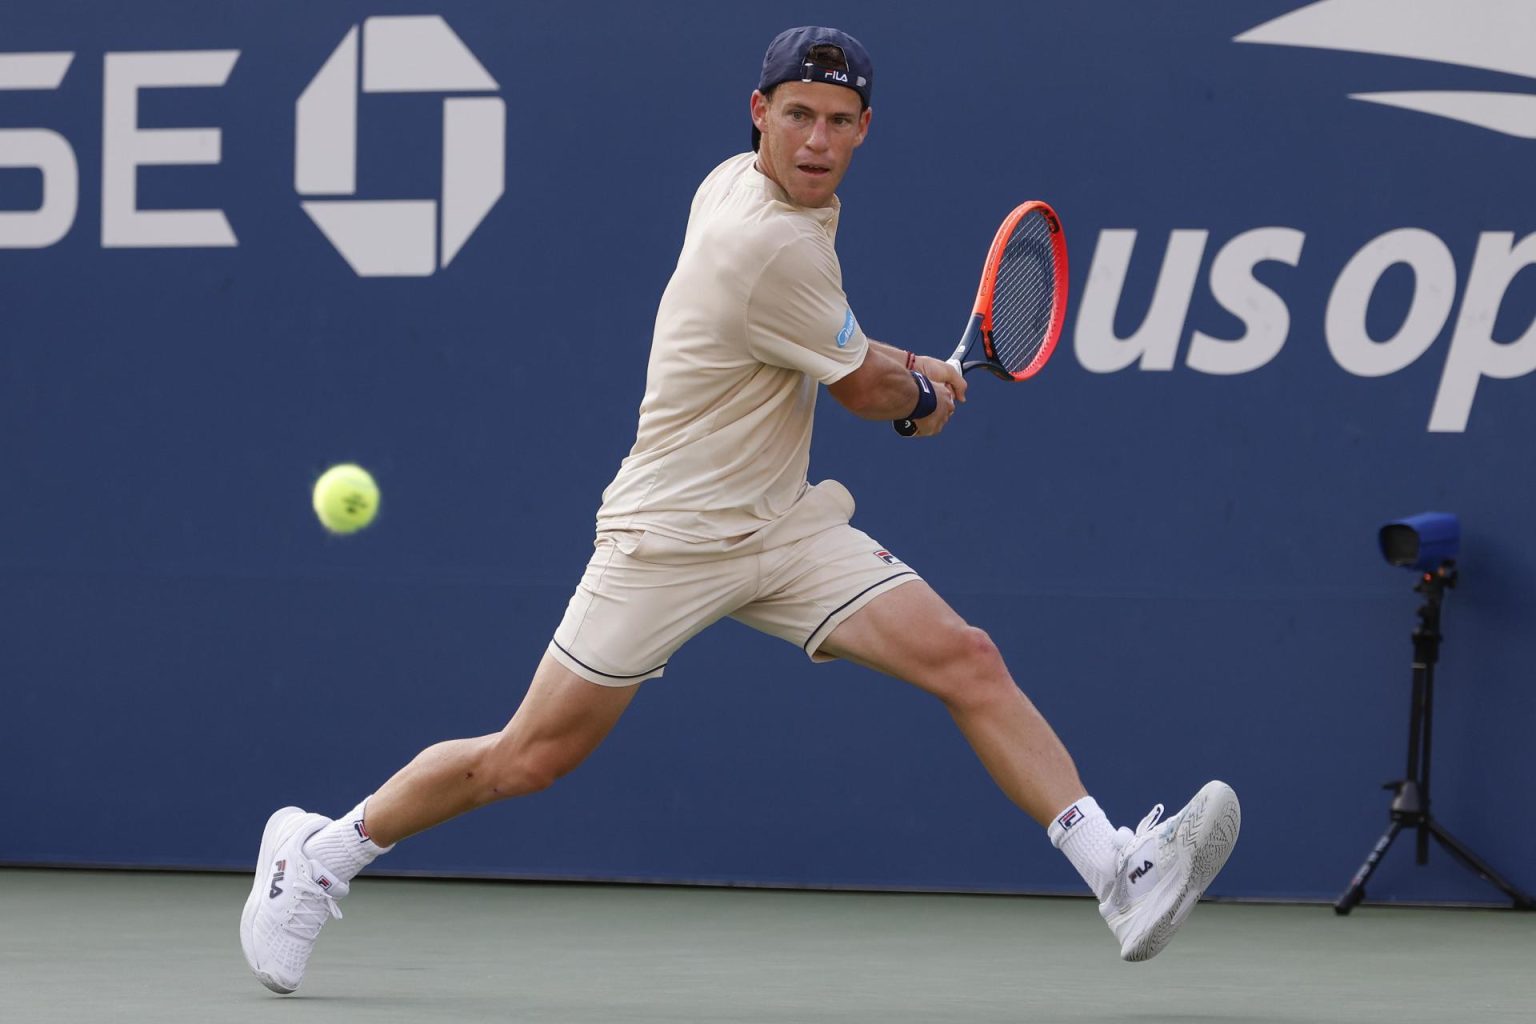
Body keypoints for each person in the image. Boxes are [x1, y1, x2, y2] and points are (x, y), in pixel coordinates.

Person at [240, 25, 1240, 994]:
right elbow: (861, 388)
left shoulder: (745, 181)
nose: (815, 139)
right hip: (667, 540)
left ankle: (1118, 871)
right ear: (758, 111)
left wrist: (913, 367)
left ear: (864, 127)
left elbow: (831, 343)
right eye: (797, 114)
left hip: (784, 526)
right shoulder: (765, 242)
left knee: (965, 657)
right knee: (527, 758)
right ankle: (320, 852)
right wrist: (926, 397)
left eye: (838, 119)